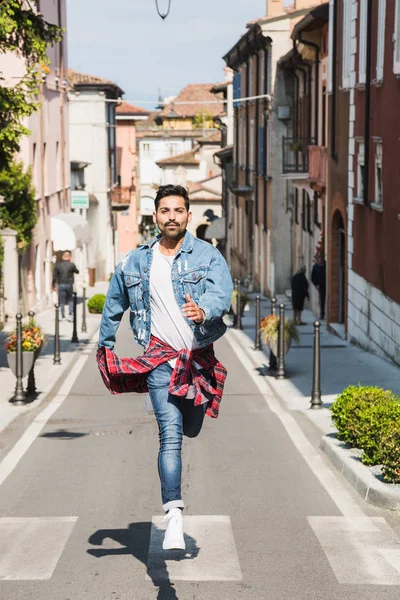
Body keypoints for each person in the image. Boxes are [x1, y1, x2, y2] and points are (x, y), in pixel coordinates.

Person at [97, 184, 233, 551]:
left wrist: (204, 310)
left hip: (198, 359)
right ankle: (174, 513)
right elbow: (114, 301)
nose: (171, 216)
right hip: (160, 359)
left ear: (188, 216)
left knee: (190, 428)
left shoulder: (207, 256)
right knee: (169, 435)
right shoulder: (135, 261)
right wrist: (104, 346)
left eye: (178, 210)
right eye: (165, 210)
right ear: (155, 216)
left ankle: (188, 410)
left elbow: (222, 292)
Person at [51, 251, 79, 321]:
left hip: (61, 284)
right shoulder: (71, 265)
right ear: (69, 257)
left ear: (62, 257)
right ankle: (70, 315)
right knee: (70, 300)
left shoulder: (58, 265)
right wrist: (71, 263)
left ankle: (63, 316)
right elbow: (77, 271)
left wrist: (53, 285)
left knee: (62, 301)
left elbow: (54, 276)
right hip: (69, 284)